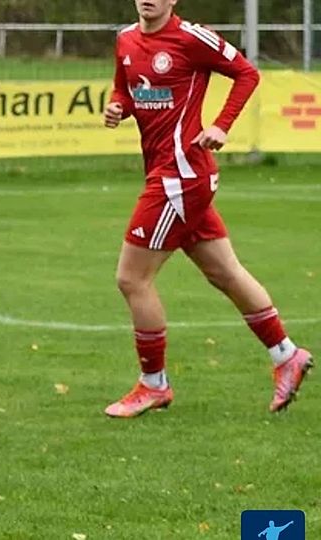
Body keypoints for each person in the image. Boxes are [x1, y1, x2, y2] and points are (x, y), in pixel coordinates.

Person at [102, 0, 312, 417]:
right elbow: (125, 89)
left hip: (179, 177)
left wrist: (221, 125)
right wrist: (118, 107)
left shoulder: (191, 38)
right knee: (225, 272)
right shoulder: (126, 39)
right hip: (172, 176)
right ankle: (286, 355)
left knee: (132, 278)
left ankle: (153, 385)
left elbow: (247, 73)